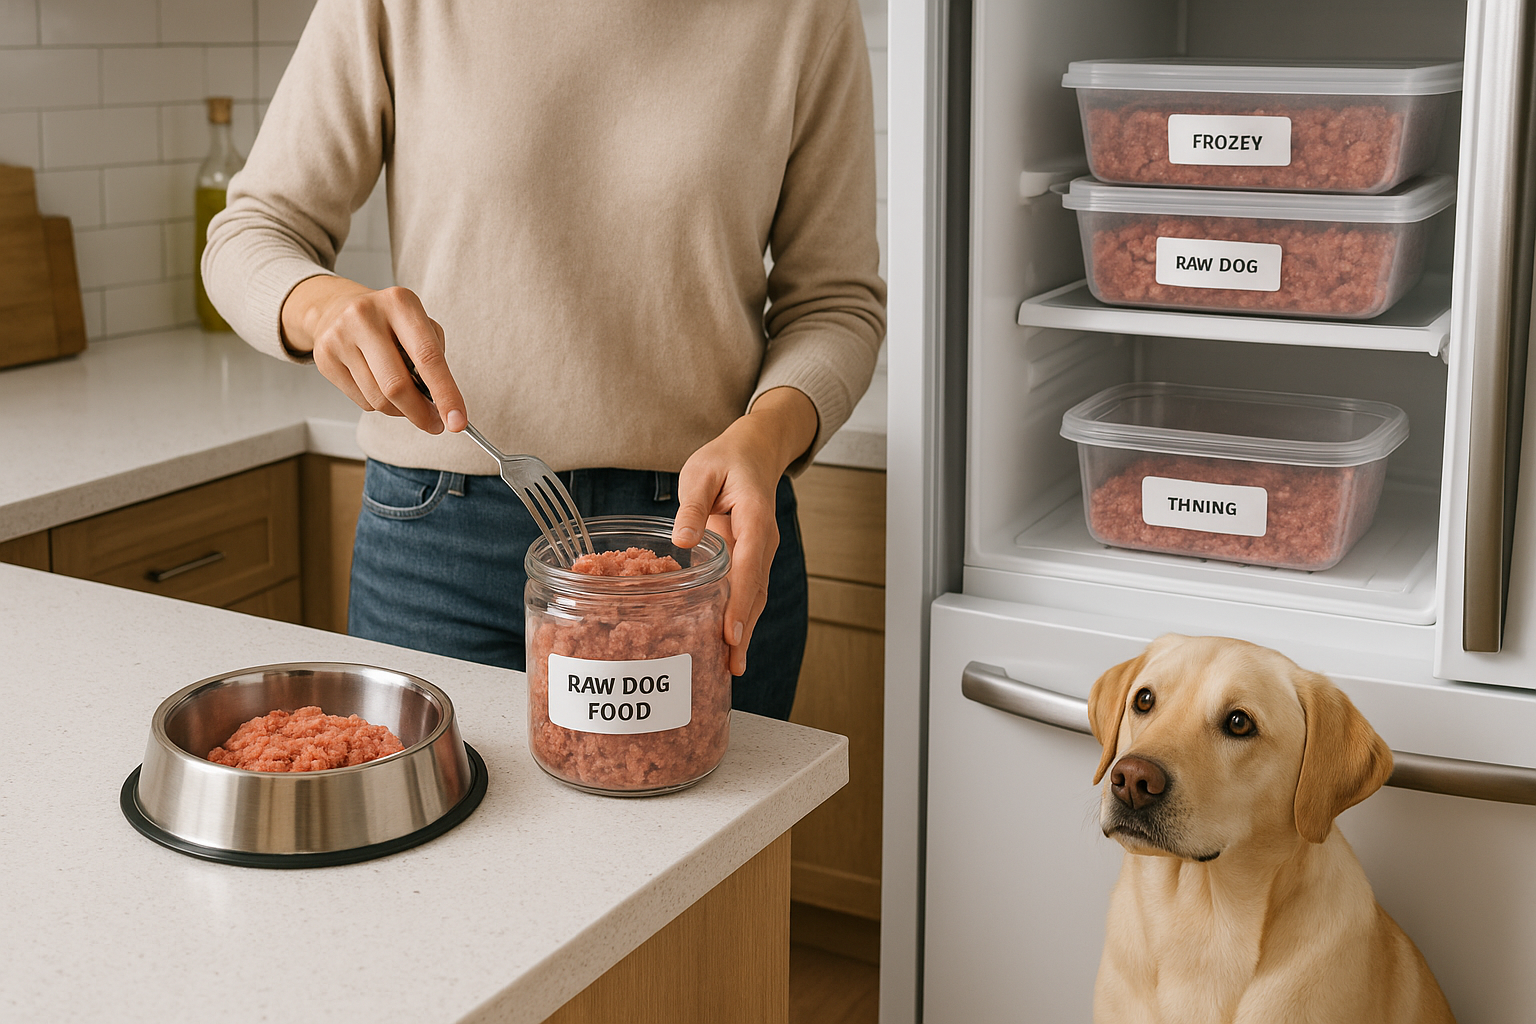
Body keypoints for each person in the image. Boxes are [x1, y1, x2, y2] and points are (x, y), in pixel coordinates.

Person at [203, 0, 886, 721]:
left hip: (702, 541)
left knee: (715, 833)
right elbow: (252, 231)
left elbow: (836, 303)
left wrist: (768, 435)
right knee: (455, 836)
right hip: (444, 550)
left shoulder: (805, 14)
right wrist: (321, 307)